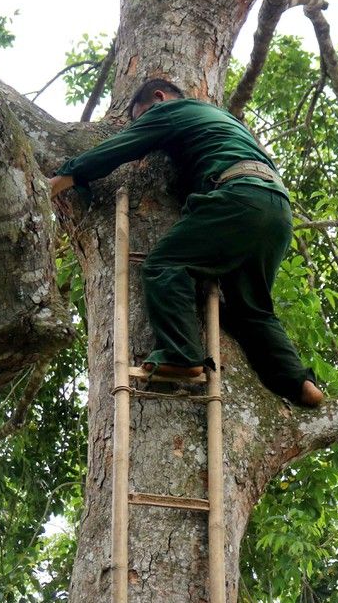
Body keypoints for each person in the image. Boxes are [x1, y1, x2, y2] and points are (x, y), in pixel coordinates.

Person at [49, 79, 324, 408]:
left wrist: (62, 179)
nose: (145, 126)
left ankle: (181, 355)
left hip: (237, 198)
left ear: (159, 98)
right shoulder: (223, 121)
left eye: (142, 117)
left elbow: (120, 147)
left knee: (165, 265)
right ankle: (299, 383)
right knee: (251, 311)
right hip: (276, 209)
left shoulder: (171, 110)